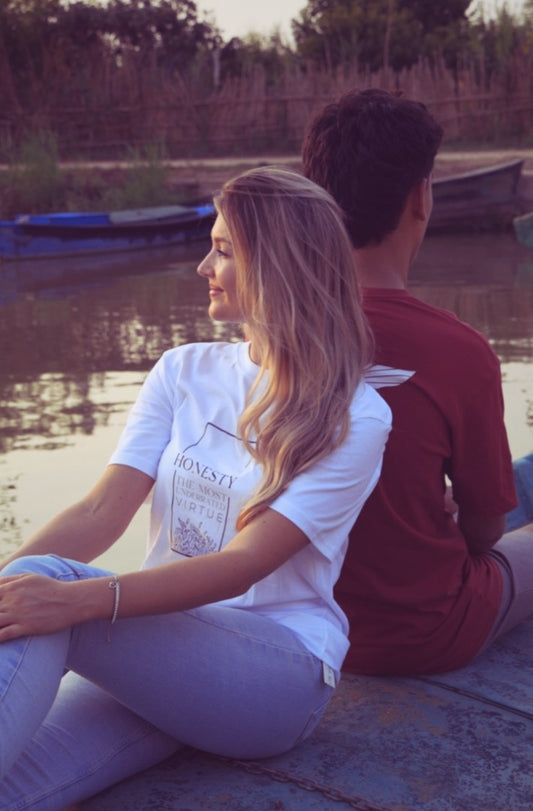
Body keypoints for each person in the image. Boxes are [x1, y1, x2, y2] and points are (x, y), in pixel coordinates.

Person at [0, 166, 391, 809]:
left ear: (278, 266)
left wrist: (68, 598)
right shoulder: (182, 370)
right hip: (163, 645)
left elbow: (243, 566)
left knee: (56, 588)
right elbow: (100, 512)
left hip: (277, 677)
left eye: (224, 250)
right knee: (19, 778)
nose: (202, 266)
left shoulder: (357, 416)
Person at [302, 88, 533, 676]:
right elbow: (483, 533)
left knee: (519, 479)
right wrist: (452, 518)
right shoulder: (458, 350)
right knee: (505, 506)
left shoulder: (271, 333)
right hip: (422, 632)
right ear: (420, 198)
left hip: (305, 624)